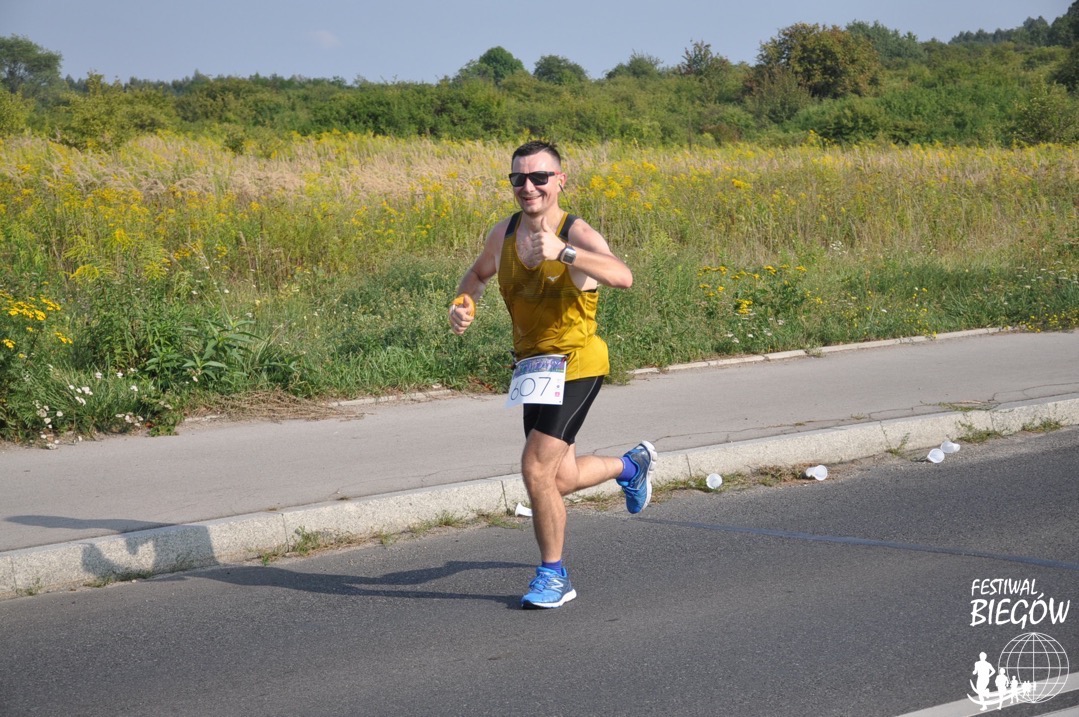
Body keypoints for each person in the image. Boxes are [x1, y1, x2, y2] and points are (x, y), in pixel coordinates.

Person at [449, 140, 656, 609]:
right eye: (518, 178)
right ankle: (631, 466)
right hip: (533, 368)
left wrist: (565, 253)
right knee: (558, 479)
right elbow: (477, 276)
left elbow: (622, 276)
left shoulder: (575, 232)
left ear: (560, 181)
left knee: (535, 468)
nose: (528, 187)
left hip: (578, 364)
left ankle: (554, 575)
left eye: (539, 177)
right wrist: (463, 305)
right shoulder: (503, 234)